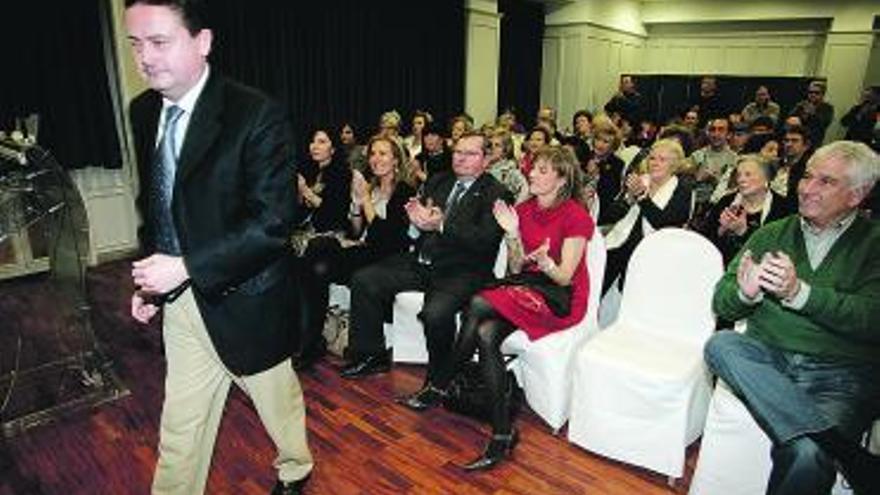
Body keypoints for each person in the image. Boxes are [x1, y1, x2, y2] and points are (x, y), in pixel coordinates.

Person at [124, 1, 312, 494]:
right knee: (180, 428)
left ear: (202, 42)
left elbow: (272, 223)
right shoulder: (143, 111)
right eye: (135, 44)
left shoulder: (256, 114)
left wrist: (185, 265)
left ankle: (296, 468)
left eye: (159, 42)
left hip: (248, 297)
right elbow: (157, 203)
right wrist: (149, 282)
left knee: (278, 403)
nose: (145, 57)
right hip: (181, 301)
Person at [703, 140, 880, 495]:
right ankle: (842, 448)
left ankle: (821, 443)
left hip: (840, 374)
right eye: (807, 176)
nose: (807, 188)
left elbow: (872, 319)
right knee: (721, 344)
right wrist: (745, 294)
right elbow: (722, 304)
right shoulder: (773, 232)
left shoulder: (873, 244)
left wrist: (800, 295)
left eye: (826, 181)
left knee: (806, 453)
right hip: (769, 358)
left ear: (857, 195)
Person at [434, 146, 594, 470]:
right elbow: (516, 267)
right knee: (487, 333)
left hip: (560, 297)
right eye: (533, 168)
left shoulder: (576, 215)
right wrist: (513, 234)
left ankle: (442, 378)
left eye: (542, 170)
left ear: (562, 180)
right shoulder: (524, 208)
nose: (532, 173)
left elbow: (564, 277)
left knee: (478, 302)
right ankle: (502, 434)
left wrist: (548, 262)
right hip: (527, 287)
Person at [340, 132, 512, 394]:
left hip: (463, 270)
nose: (461, 158)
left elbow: (484, 242)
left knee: (435, 313)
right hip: (424, 260)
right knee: (365, 279)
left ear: (486, 159)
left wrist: (441, 224)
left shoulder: (497, 193)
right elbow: (418, 226)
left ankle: (438, 382)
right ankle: (371, 355)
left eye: (470, 154)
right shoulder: (439, 181)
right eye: (457, 152)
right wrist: (416, 223)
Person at [292, 135, 415, 371]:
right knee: (317, 253)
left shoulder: (404, 191)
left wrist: (366, 201)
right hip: (365, 250)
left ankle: (310, 342)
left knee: (318, 262)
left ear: (396, 160)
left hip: (388, 258)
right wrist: (356, 210)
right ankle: (308, 339)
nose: (375, 159)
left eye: (382, 153)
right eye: (372, 154)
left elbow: (387, 240)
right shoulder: (371, 187)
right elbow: (358, 232)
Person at [602, 139, 693, 295]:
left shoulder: (683, 189)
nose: (655, 163)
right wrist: (629, 199)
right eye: (652, 158)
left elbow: (665, 223)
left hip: (655, 258)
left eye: (662, 159)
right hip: (618, 248)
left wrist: (642, 198)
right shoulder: (640, 181)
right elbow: (608, 216)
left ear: (674, 165)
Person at [699, 154, 791, 265]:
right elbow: (704, 241)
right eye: (739, 175)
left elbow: (779, 251)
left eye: (748, 175)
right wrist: (721, 230)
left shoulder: (783, 207)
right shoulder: (726, 201)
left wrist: (743, 232)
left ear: (766, 178)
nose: (741, 180)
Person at [487, 128, 530, 203]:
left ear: (505, 150)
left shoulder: (509, 171)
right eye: (490, 145)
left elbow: (526, 190)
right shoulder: (482, 167)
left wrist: (514, 209)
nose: (492, 148)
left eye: (497, 145)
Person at [789, 80, 834, 145]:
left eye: (816, 93)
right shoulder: (801, 105)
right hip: (799, 140)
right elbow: (790, 118)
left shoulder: (827, 108)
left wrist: (812, 113)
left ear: (822, 94)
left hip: (815, 141)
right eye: (810, 92)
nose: (813, 95)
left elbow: (823, 123)